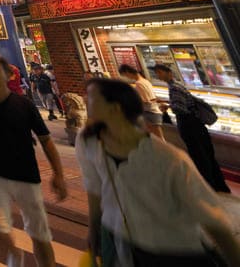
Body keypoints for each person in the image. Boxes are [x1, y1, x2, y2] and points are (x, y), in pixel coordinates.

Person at [77, 77, 240, 266]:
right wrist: (93, 228)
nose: (83, 99)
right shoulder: (88, 141)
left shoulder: (168, 160)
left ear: (115, 108)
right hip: (119, 240)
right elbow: (95, 187)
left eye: (90, 96)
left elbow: (213, 220)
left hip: (171, 250)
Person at [0, 55, 67, 267]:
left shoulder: (24, 105)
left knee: (39, 232)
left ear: (9, 75)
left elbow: (46, 140)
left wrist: (59, 174)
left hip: (26, 175)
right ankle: (13, 252)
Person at [153, 63, 230, 193]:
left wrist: (167, 106)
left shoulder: (174, 88)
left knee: (199, 156)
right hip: (197, 125)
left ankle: (208, 186)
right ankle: (219, 185)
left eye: (160, 72)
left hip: (190, 126)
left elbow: (180, 108)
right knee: (207, 154)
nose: (158, 76)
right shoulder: (178, 85)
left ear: (168, 72)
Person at [117, 64, 164, 140]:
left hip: (150, 113)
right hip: (154, 111)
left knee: (158, 139)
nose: (126, 77)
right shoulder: (145, 81)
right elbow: (151, 98)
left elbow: (144, 101)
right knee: (157, 138)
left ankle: (164, 151)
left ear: (127, 72)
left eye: (124, 75)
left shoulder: (139, 83)